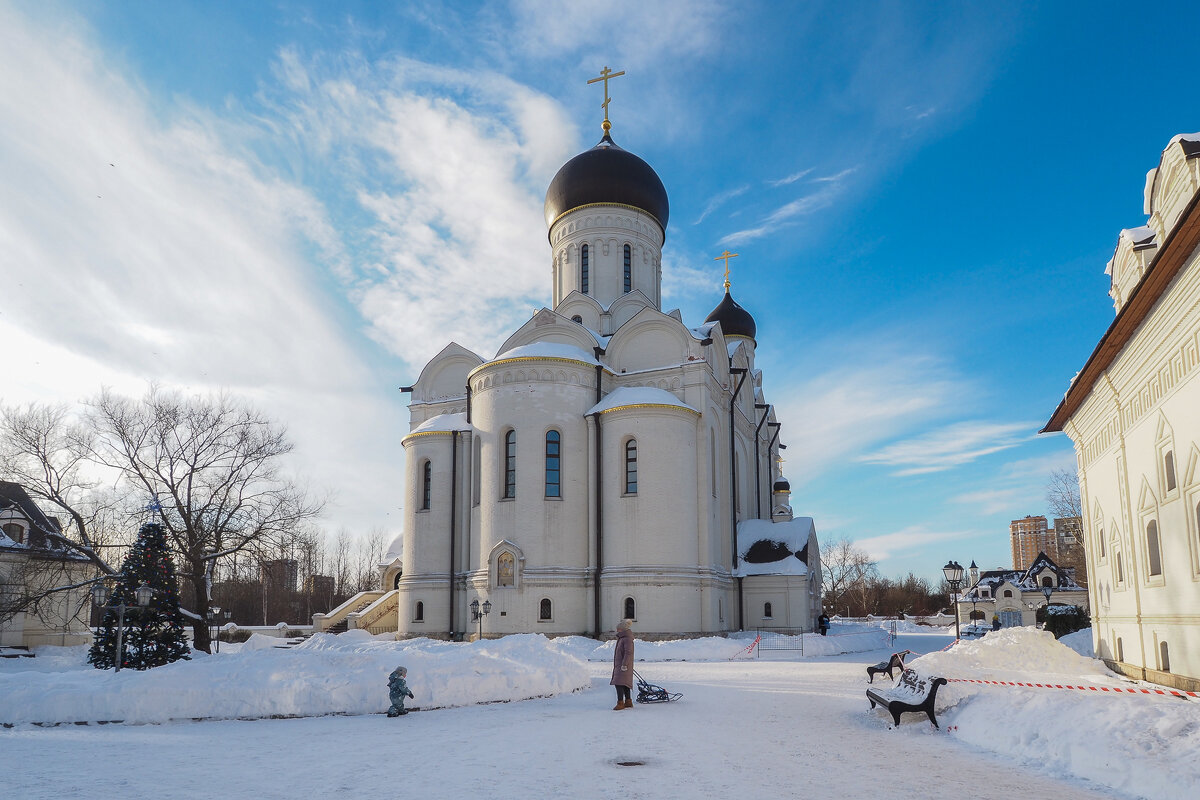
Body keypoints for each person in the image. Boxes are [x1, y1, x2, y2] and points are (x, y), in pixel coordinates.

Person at [610, 619, 635, 710]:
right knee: (624, 683)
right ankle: (628, 702)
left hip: (623, 666)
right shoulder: (623, 638)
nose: (617, 630)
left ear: (623, 629)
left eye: (618, 629)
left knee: (619, 683)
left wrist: (624, 664)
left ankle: (620, 703)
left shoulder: (627, 639)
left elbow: (628, 653)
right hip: (621, 665)